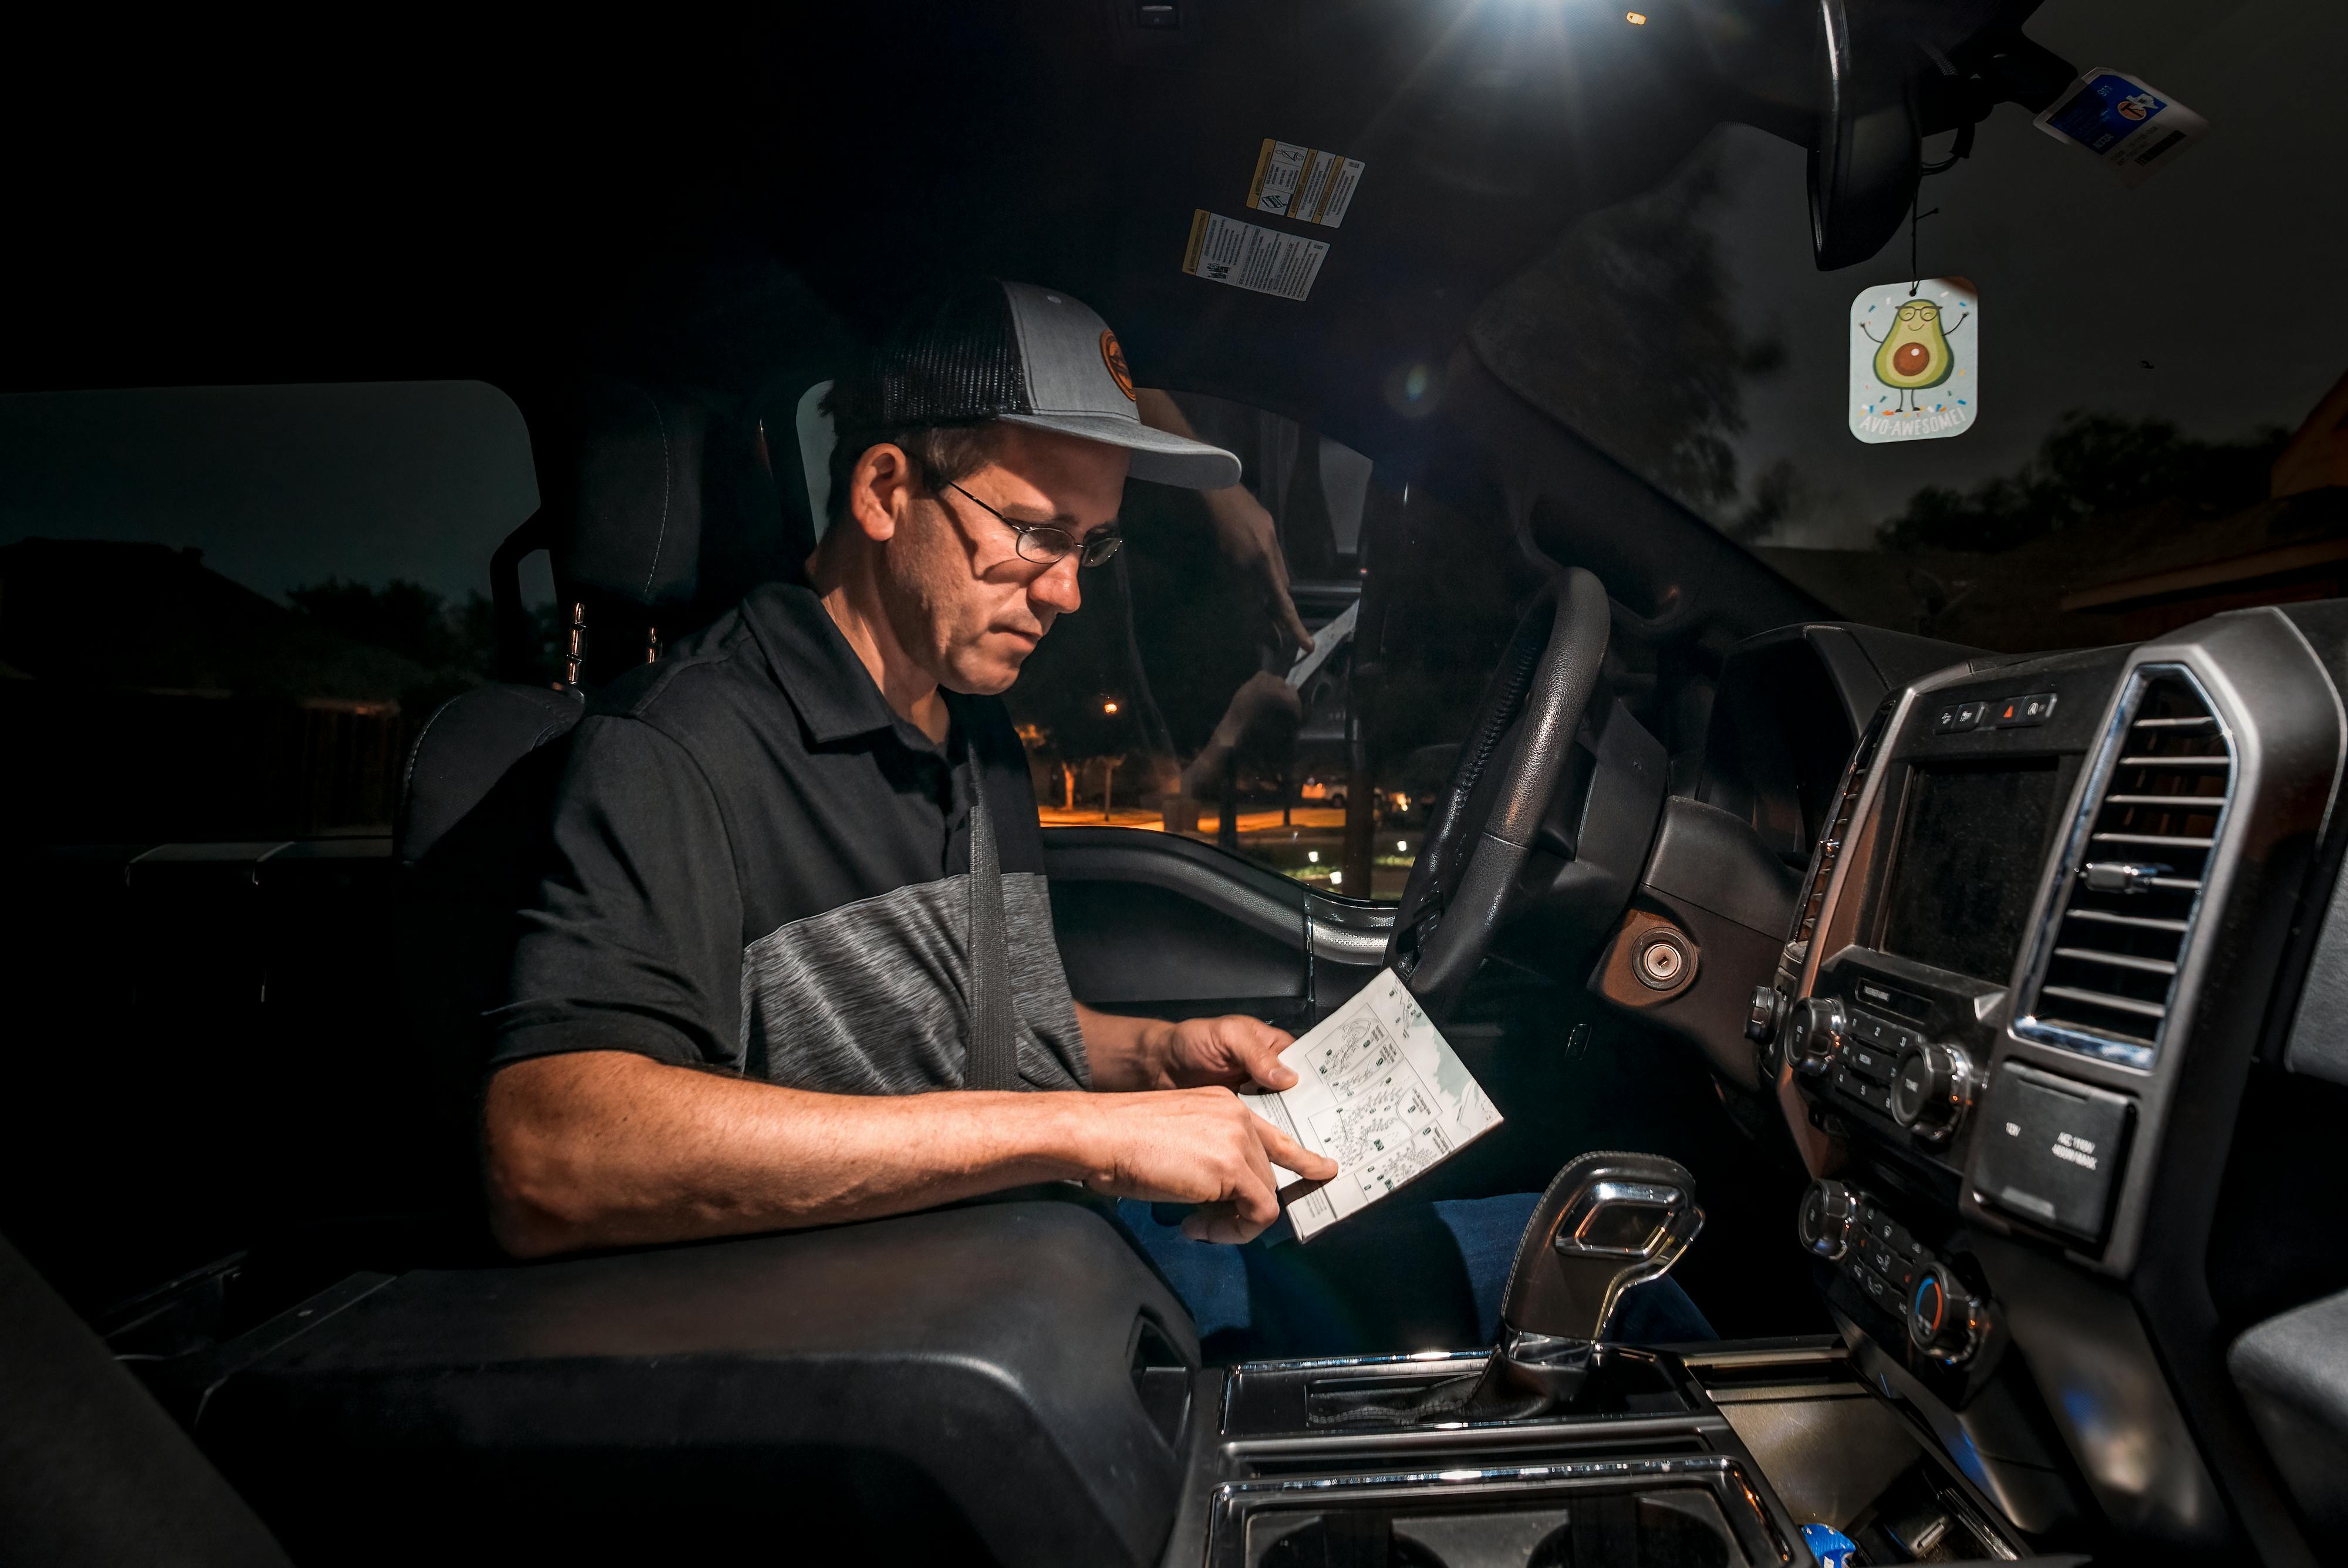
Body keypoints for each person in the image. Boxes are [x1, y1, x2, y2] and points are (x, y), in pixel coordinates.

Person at [481, 278, 1706, 1355]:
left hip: (1040, 1266)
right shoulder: (678, 750)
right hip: (920, 1344)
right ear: (882, 487)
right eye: (1031, 535)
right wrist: (1083, 1131)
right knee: (1612, 1289)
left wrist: (1152, 1058)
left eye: (1092, 547)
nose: (1065, 591)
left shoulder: (968, 726)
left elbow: (963, 1026)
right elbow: (551, 1149)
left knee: (1628, 1257)